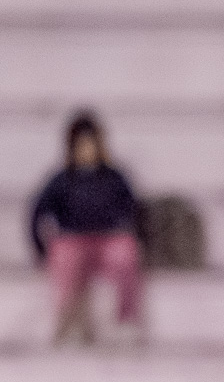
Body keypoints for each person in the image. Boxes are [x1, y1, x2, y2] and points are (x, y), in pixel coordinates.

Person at [29, 110, 145, 347]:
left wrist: (137, 237)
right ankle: (67, 321)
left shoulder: (114, 178)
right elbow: (37, 213)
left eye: (90, 144)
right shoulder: (61, 180)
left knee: (125, 254)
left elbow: (135, 210)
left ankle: (125, 320)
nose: (86, 150)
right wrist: (41, 250)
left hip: (108, 240)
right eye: (81, 145)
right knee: (63, 257)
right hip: (73, 241)